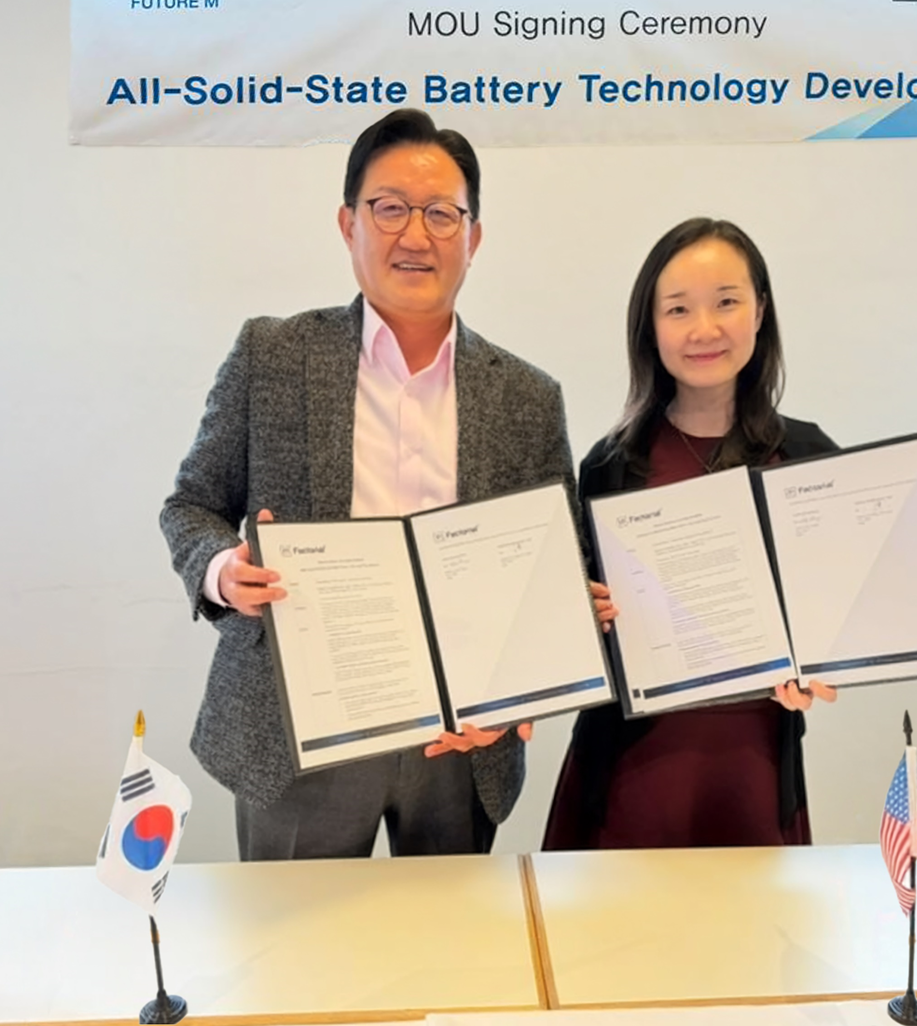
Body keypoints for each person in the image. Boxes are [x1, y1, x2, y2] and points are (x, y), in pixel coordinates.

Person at [161, 108, 574, 860]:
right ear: (348, 222)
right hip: (298, 738)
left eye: (442, 214)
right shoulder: (273, 354)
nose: (415, 235)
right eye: (389, 208)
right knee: (292, 960)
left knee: (443, 960)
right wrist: (224, 571)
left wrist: (520, 694)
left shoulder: (526, 396)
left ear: (473, 238)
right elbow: (190, 505)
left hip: (457, 744)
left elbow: (553, 574)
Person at [543, 217, 838, 851]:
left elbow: (841, 617)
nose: (704, 329)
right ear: (650, 328)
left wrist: (827, 662)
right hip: (626, 778)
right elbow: (574, 627)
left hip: (754, 771)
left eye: (727, 302)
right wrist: (579, 620)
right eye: (678, 309)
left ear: (761, 310)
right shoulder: (608, 465)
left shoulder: (810, 461)